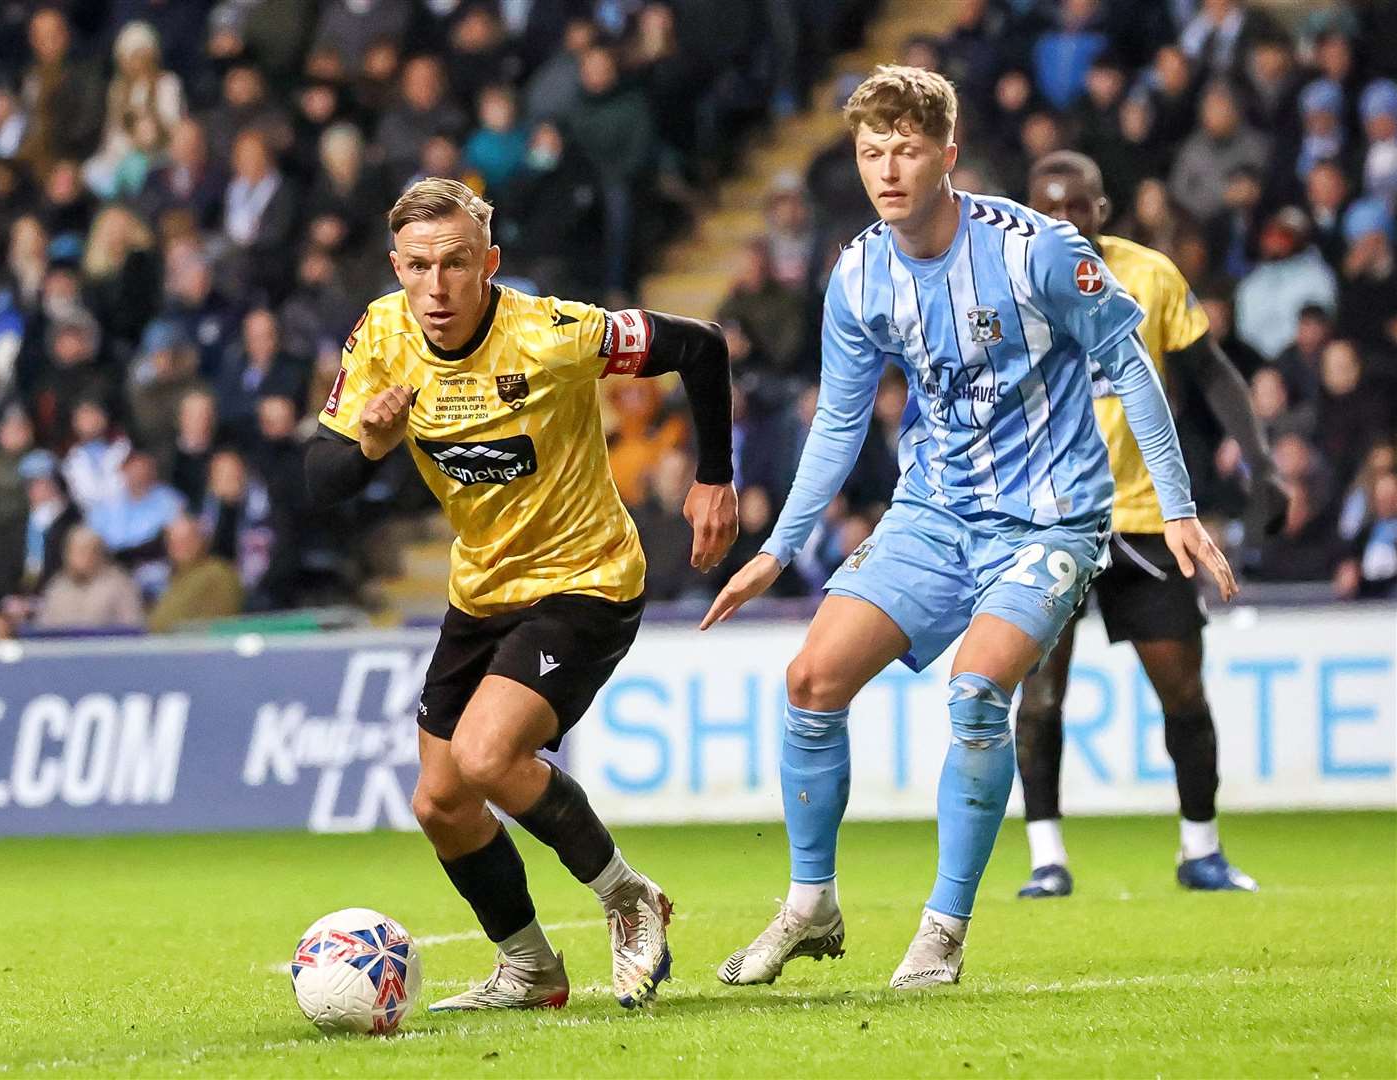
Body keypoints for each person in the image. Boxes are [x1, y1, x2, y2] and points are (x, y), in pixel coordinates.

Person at [705, 66, 1237, 992]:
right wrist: (776, 548)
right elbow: (838, 420)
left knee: (977, 690)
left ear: (947, 154)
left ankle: (942, 931)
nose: (887, 169)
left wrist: (1179, 507)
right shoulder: (860, 272)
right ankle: (810, 906)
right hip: (934, 512)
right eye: (872, 152)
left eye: (907, 149)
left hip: (1053, 518)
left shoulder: (1037, 250)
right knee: (810, 678)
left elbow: (1132, 364)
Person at [304, 178, 737, 1011]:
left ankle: (627, 898)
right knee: (440, 801)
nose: (437, 286)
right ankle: (530, 967)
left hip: (587, 579)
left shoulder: (553, 334)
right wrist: (370, 445)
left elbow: (704, 346)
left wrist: (713, 479)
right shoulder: (382, 335)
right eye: (420, 266)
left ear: (490, 265)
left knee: (487, 756)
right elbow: (317, 480)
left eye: (457, 264)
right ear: (396, 268)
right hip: (483, 589)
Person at [1014, 151, 1287, 899]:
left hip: (1145, 523)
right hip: (1046, 525)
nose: (1064, 221)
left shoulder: (1151, 276)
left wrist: (1261, 461)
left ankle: (1201, 850)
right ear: (1031, 213)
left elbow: (1214, 373)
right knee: (1039, 699)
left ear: (1104, 212)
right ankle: (1047, 860)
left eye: (1078, 208)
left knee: (1184, 695)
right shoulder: (1003, 285)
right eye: (1049, 209)